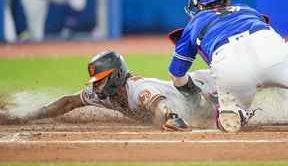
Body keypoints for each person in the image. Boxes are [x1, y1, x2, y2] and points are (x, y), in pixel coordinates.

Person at [168, 0, 288, 132]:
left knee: (230, 111)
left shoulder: (195, 23)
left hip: (231, 64)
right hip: (271, 49)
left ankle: (235, 111)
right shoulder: (247, 9)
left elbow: (176, 73)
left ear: (201, 5)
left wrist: (191, 93)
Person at [0, 51, 217, 131]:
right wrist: (31, 115)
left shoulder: (138, 89)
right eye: (95, 81)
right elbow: (68, 102)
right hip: (199, 103)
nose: (96, 86)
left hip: (203, 87)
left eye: (101, 80)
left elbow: (159, 105)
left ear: (116, 76)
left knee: (244, 87)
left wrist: (169, 117)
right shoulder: (104, 94)